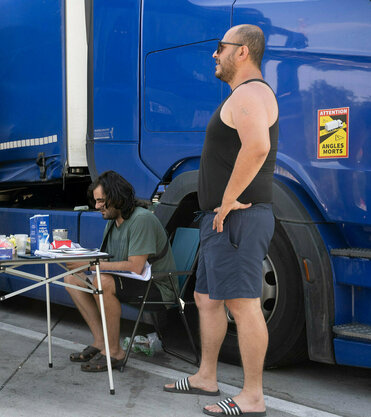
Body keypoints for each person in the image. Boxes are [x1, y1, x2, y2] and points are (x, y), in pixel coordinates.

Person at [163, 24, 277, 417]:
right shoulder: (245, 95)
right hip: (222, 220)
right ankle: (206, 376)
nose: (214, 54)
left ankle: (252, 396)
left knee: (243, 305)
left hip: (238, 218)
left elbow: (258, 145)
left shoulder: (249, 93)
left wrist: (228, 199)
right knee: (205, 298)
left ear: (242, 52)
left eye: (220, 48)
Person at [64, 171, 176, 372]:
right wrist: (79, 259)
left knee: (102, 281)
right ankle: (100, 342)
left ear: (116, 197)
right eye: (96, 201)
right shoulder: (113, 222)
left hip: (159, 286)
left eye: (101, 201)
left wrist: (91, 265)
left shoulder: (141, 220)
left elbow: (135, 267)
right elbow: (107, 260)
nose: (97, 206)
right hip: (134, 281)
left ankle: (115, 352)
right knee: (72, 279)